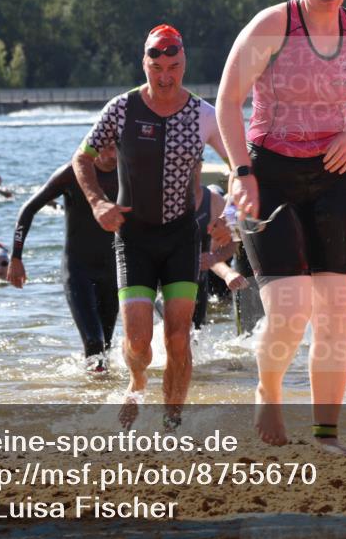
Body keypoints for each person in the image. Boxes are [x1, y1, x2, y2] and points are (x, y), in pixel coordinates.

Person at [216, 0, 346, 453]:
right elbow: (227, 103)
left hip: (336, 175)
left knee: (336, 314)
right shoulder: (273, 25)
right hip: (269, 174)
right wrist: (241, 172)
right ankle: (268, 390)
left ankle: (326, 434)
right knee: (291, 310)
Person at [72, 24, 229, 426]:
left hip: (181, 238)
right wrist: (97, 203)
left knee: (178, 338)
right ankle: (137, 380)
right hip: (134, 239)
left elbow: (240, 166)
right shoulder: (121, 109)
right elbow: (82, 158)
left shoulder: (204, 115)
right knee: (139, 342)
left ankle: (171, 421)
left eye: (173, 68)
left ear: (184, 64)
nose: (165, 78)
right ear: (144, 64)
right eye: (156, 68)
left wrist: (230, 216)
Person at [8, 147, 120, 372]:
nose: (112, 156)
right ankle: (94, 388)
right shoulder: (72, 173)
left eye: (117, 148)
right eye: (107, 148)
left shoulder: (127, 173)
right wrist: (16, 257)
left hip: (113, 271)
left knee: (105, 346)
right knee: (94, 341)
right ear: (95, 145)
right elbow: (28, 209)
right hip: (78, 270)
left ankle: (97, 389)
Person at [192, 161, 248, 329]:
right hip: (201, 266)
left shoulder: (216, 205)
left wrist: (226, 272)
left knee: (221, 300)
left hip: (217, 263)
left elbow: (211, 256)